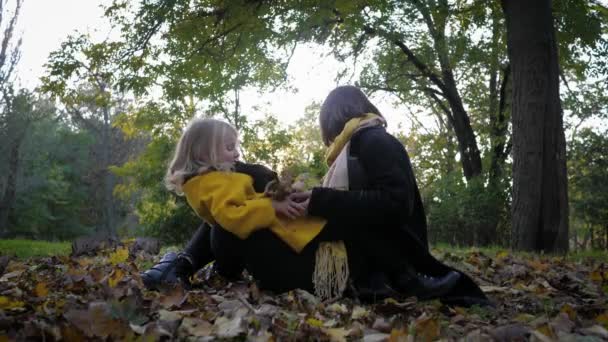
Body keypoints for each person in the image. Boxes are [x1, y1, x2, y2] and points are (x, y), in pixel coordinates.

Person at [142, 115, 466, 303]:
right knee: (354, 228)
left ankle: (405, 277)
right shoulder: (210, 184)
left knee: (353, 227)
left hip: (286, 235)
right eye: (229, 148)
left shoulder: (227, 176)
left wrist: (279, 193)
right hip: (280, 244)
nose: (236, 153)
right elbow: (231, 218)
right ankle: (405, 280)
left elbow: (250, 198)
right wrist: (274, 207)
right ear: (203, 152)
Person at [287, 85, 490, 306]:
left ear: (333, 118)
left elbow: (395, 203)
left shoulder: (374, 141)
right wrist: (313, 200)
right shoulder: (352, 148)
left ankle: (405, 279)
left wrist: (322, 200)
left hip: (401, 255)